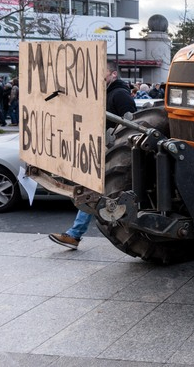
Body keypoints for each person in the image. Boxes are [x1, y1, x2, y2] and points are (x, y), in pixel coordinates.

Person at [49, 61, 137, 249]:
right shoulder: (104, 94)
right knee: (92, 190)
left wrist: (113, 141)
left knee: (92, 190)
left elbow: (133, 124)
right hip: (103, 151)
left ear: (113, 74)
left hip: (113, 154)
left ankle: (75, 234)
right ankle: (76, 234)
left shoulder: (119, 94)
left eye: (103, 73)